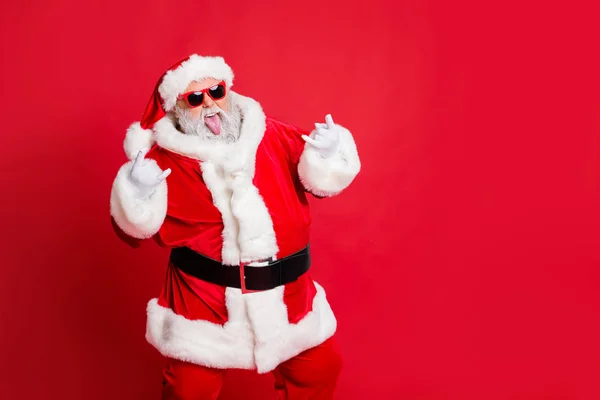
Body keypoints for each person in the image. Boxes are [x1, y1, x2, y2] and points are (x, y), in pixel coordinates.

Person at [109, 54, 361, 399]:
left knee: (320, 368)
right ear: (177, 108)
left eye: (217, 91)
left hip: (288, 296)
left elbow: (322, 183)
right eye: (195, 99)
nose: (210, 104)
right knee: (189, 389)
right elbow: (130, 230)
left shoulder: (273, 134)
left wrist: (330, 155)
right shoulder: (161, 164)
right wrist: (136, 190)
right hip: (204, 302)